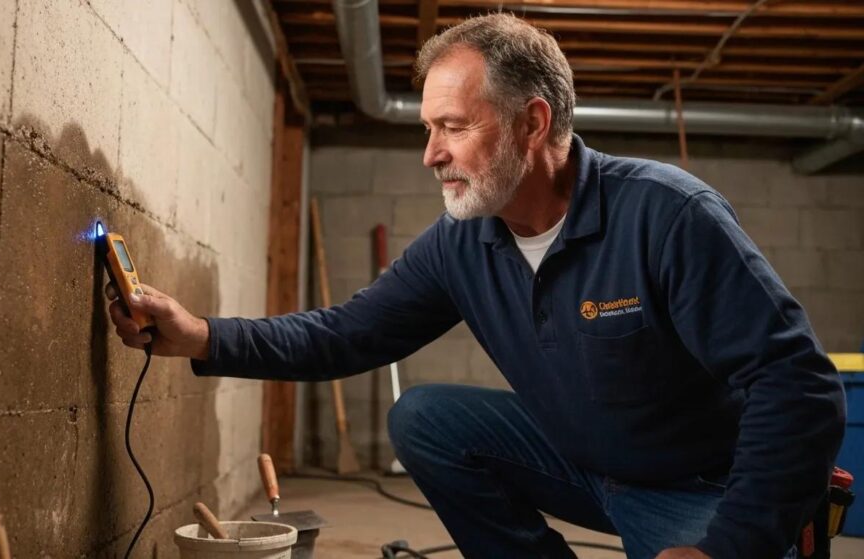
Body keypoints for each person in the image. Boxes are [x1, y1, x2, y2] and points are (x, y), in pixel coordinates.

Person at [106, 14, 846, 559]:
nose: (431, 154)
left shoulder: (667, 214)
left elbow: (799, 383)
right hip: (589, 467)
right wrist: (203, 335)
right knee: (425, 418)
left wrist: (732, 545)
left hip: (700, 491)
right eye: (427, 128)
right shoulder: (466, 242)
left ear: (532, 123)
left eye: (453, 127)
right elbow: (346, 332)